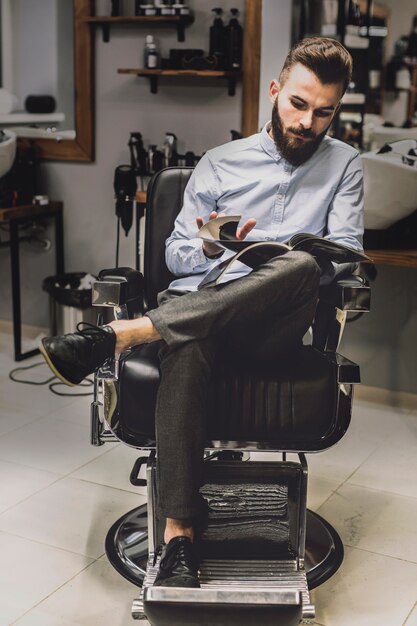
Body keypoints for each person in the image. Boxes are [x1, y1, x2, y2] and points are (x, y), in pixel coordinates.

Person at [40, 37, 364, 589]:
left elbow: (346, 253)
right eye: (298, 104)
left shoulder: (345, 165)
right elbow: (175, 256)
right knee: (188, 343)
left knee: (305, 267)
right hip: (199, 310)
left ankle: (118, 336)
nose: (308, 122)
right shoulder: (219, 162)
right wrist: (215, 246)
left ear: (335, 110)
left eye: (323, 112)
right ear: (275, 91)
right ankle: (179, 539)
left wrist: (281, 255)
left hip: (275, 325)